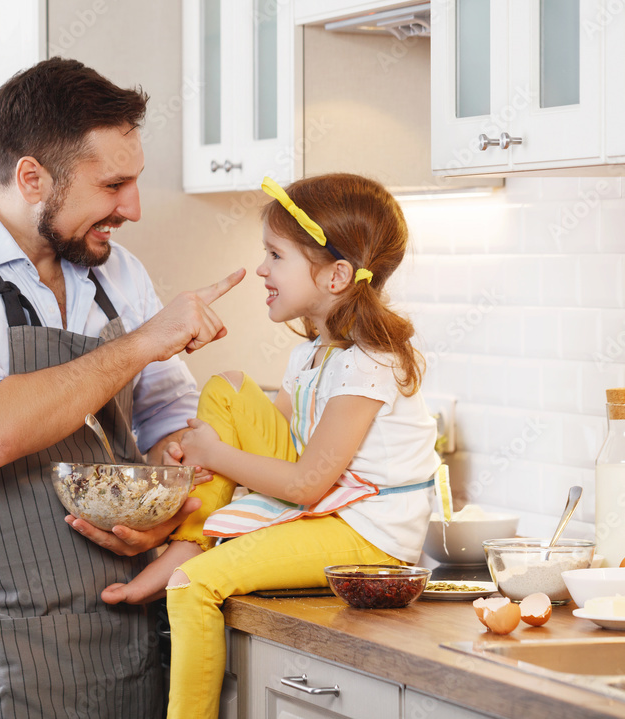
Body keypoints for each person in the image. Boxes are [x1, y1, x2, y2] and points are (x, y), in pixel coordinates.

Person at [0, 57, 243, 719]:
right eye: (113, 184)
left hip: (129, 656)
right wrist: (146, 339)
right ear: (32, 176)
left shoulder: (117, 272)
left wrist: (166, 508)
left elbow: (174, 424)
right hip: (4, 671)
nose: (133, 208)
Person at [102, 173, 442, 718]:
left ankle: (188, 566)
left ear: (335, 276)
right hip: (328, 510)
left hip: (367, 535)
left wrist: (214, 454)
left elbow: (307, 483)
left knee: (193, 586)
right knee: (227, 387)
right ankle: (191, 539)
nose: (262, 268)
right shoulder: (311, 355)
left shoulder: (370, 362)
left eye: (276, 255)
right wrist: (196, 452)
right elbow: (267, 453)